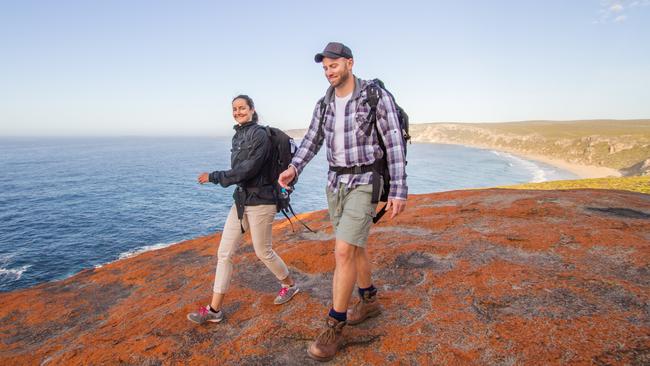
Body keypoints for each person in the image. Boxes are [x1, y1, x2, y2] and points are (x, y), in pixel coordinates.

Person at [278, 42, 407, 361]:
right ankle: (370, 300)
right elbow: (311, 139)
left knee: (343, 250)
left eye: (333, 64)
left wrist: (399, 189)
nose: (328, 70)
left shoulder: (375, 96)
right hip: (335, 183)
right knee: (355, 246)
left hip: (365, 181)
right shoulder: (324, 103)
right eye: (324, 67)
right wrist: (294, 167)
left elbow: (393, 141)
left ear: (350, 63)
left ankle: (334, 326)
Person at [188, 95, 300, 324]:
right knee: (224, 253)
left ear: (252, 110)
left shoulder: (259, 135)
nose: (238, 112)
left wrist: (214, 176)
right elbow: (240, 170)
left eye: (242, 108)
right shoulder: (238, 135)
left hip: (262, 201)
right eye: (235, 109)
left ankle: (290, 285)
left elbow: (248, 169)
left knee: (263, 251)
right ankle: (214, 310)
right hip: (241, 201)